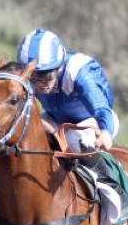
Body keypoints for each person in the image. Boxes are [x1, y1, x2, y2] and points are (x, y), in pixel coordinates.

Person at [15, 28, 119, 173]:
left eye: (46, 76)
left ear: (59, 67)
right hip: (54, 119)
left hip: (94, 121)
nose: (39, 84)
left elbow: (101, 108)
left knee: (73, 139)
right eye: (33, 76)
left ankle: (111, 183)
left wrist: (106, 133)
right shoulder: (23, 77)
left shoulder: (79, 73)